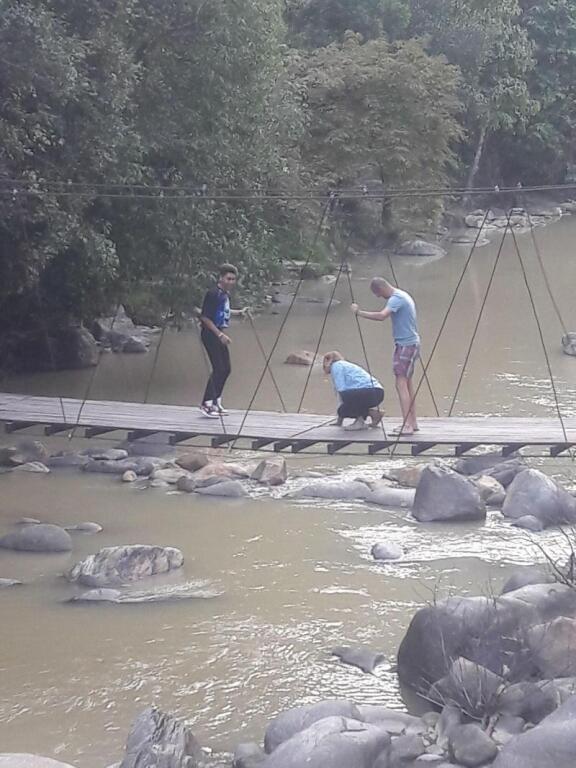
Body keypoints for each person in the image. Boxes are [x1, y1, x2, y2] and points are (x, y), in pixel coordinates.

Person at [351, 278, 420, 435]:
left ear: (381, 289)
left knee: (400, 384)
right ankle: (413, 423)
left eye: (378, 294)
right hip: (410, 344)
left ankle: (407, 426)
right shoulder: (403, 294)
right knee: (407, 383)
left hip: (406, 345)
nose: (379, 297)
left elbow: (382, 316)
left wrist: (359, 313)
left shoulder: (396, 299)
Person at [199, 263, 249, 418]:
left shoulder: (224, 294)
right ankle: (206, 403)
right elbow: (205, 317)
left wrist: (238, 313)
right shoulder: (213, 294)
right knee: (219, 368)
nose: (231, 282)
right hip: (210, 334)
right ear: (221, 278)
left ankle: (216, 401)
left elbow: (222, 311)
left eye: (233, 279)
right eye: (228, 278)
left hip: (218, 333)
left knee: (226, 369)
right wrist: (219, 335)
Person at [323, 351, 384, 431]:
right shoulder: (344, 365)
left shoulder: (336, 366)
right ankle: (374, 414)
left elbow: (341, 390)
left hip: (369, 391)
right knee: (344, 407)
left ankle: (360, 422)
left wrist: (340, 415)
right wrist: (339, 419)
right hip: (378, 392)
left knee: (344, 403)